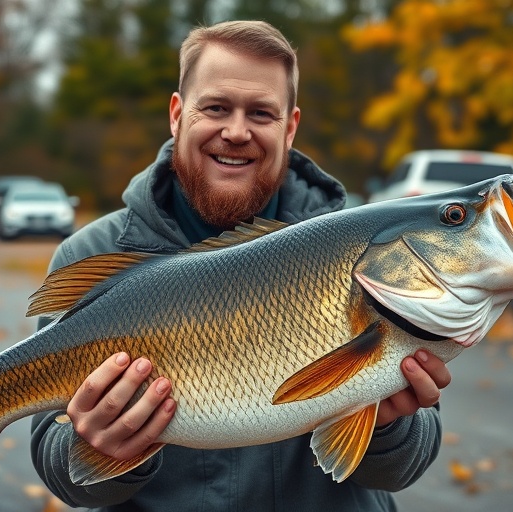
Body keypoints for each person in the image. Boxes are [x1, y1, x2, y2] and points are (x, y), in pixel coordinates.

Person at [30, 20, 451, 511]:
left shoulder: (360, 252)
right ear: (177, 114)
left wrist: (390, 427)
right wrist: (101, 448)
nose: (235, 131)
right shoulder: (93, 256)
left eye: (260, 113)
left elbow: (401, 468)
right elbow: (61, 467)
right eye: (215, 108)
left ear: (289, 128)